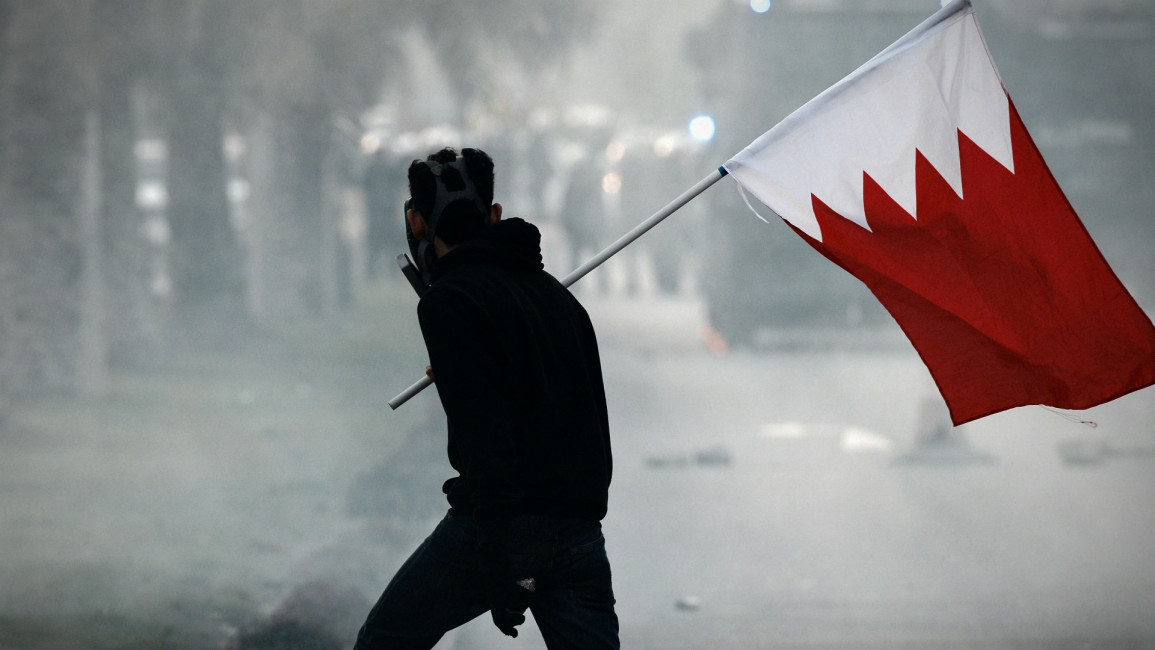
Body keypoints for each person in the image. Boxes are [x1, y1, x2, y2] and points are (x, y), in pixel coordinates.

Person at [354, 147, 619, 649]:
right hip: (580, 530)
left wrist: (506, 566)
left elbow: (486, 441)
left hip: (499, 528)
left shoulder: (447, 303)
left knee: (385, 638)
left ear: (415, 221)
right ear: (494, 216)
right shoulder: (558, 299)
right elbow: (579, 421)